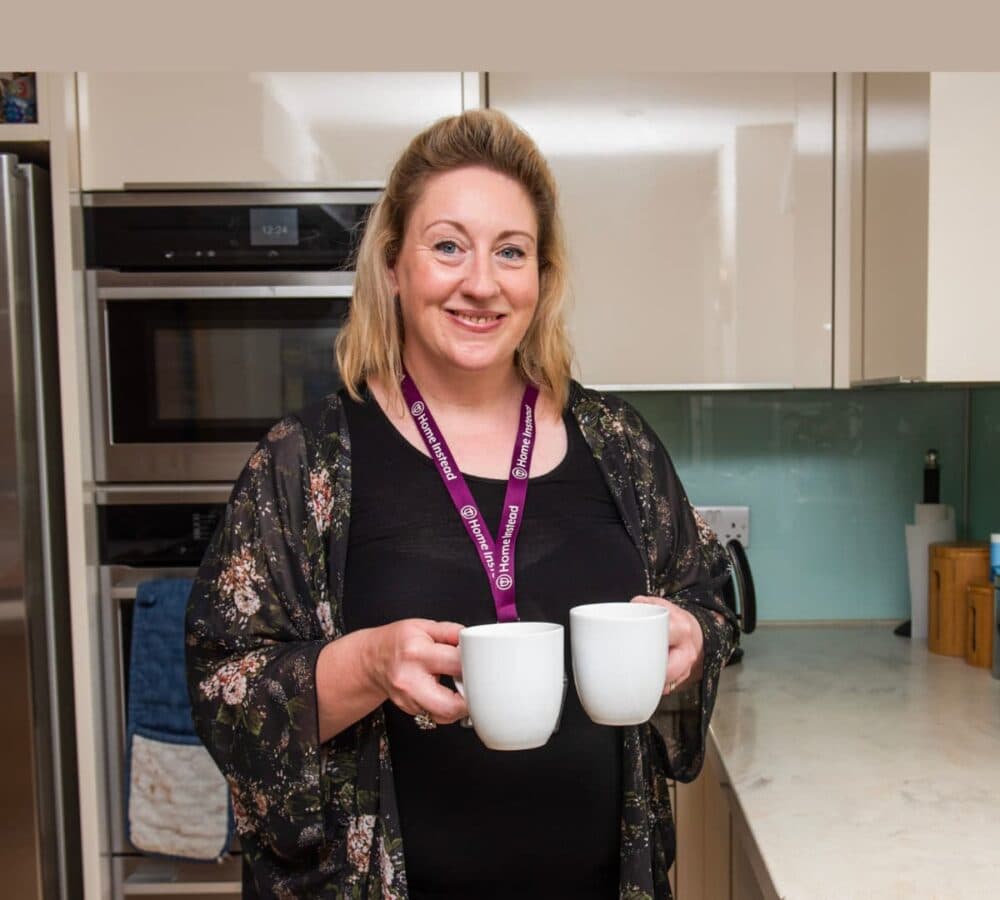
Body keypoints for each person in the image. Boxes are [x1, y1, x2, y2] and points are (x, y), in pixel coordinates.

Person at [186, 108, 739, 900]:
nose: (481, 282)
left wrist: (691, 634)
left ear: (541, 277)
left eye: (511, 252)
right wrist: (369, 663)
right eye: (448, 246)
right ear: (392, 266)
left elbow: (706, 600)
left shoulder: (618, 442)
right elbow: (224, 689)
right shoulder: (305, 460)